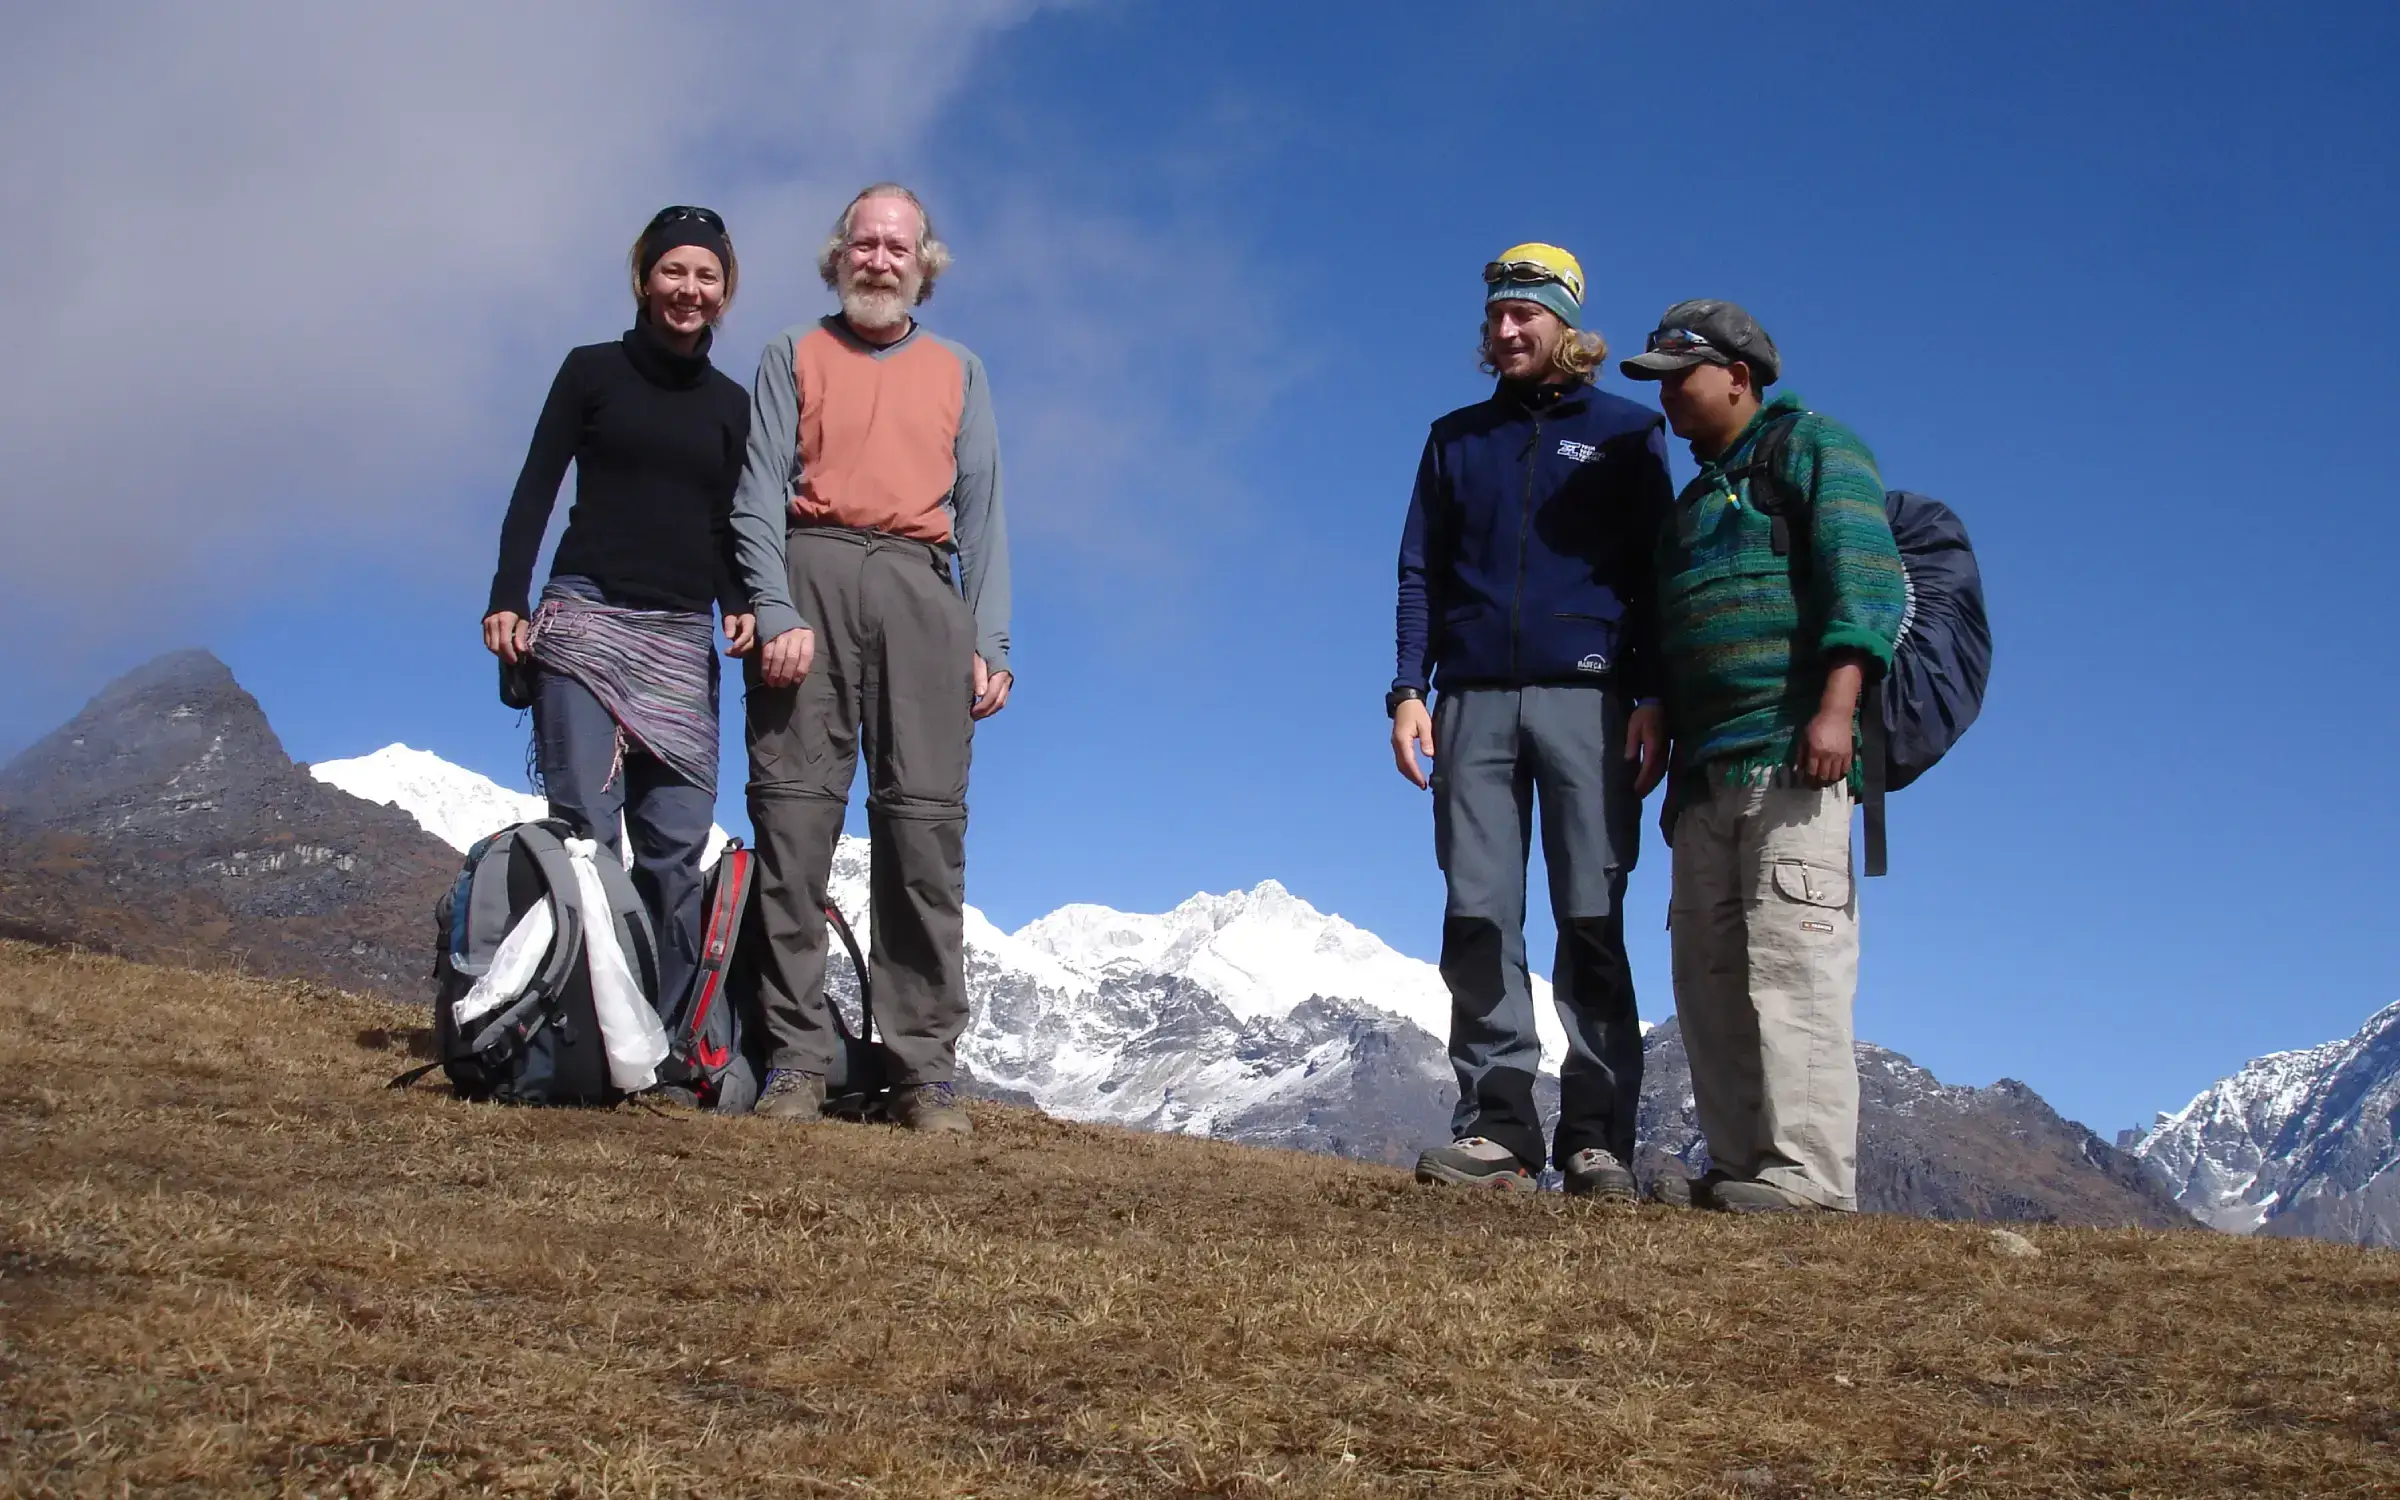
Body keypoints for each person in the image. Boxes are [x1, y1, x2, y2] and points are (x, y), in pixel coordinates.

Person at [728, 183, 1012, 1133]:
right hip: (808, 585)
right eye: (864, 243)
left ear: (923, 264)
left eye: (897, 247)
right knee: (793, 823)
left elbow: (982, 513)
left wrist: (989, 637)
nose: (878, 260)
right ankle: (797, 1061)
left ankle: (922, 1069)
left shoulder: (960, 370)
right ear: (838, 254)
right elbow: (758, 491)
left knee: (924, 831)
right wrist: (771, 607)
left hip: (922, 594)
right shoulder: (791, 353)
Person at [1391, 244, 1674, 1196]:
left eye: (1527, 315)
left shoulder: (1631, 435)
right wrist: (1405, 691)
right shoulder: (1454, 438)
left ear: (1567, 325)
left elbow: (1654, 581)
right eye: (1496, 317)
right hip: (1468, 701)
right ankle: (1499, 1126)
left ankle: (1596, 1137)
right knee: (1478, 915)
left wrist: (1653, 697)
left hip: (1591, 704)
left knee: (1590, 917)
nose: (1507, 331)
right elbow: (1419, 575)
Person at [1620, 300, 1906, 1213]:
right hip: (1706, 773)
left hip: (1795, 759)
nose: (1667, 396)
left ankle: (1810, 1178)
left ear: (1737, 376)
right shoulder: (1693, 504)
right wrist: (1659, 715)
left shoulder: (1819, 450)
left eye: (1679, 376)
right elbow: (1668, 632)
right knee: (1710, 974)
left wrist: (1835, 709)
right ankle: (1745, 1166)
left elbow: (1863, 580)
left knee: (1795, 965)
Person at [484, 206, 754, 1049]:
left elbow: (720, 525)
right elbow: (536, 485)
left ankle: (669, 1044)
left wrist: (740, 598)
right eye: (674, 271)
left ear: (724, 293)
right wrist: (506, 596)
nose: (689, 289)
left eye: (706, 276)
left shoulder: (730, 406)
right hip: (585, 621)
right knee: (585, 841)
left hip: (680, 638)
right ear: (644, 280)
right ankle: (583, 1035)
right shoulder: (590, 372)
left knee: (675, 848)